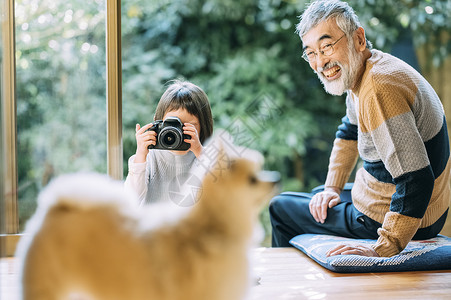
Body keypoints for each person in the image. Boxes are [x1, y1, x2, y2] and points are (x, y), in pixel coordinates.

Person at [270, 0, 450, 257]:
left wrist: (384, 246)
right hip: (409, 202)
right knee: (318, 196)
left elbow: (415, 179)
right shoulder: (364, 70)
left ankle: (285, 289)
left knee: (281, 207)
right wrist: (332, 187)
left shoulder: (379, 87)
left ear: (359, 39)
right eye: (311, 52)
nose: (320, 62)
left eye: (327, 46)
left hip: (409, 217)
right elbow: (349, 132)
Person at [124, 80, 214, 206]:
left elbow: (223, 194)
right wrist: (140, 155)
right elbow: (130, 199)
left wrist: (200, 152)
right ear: (158, 123)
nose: (177, 132)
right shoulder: (150, 157)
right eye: (172, 124)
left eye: (188, 126)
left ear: (203, 126)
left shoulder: (206, 158)